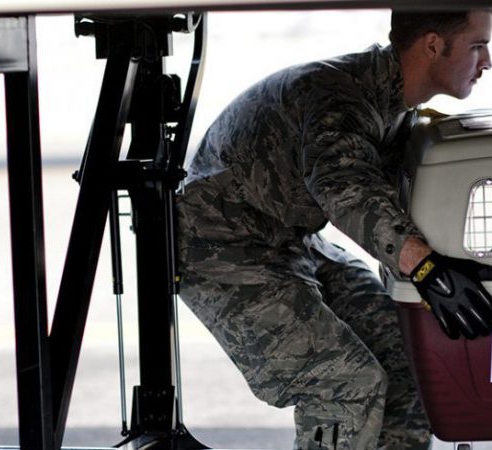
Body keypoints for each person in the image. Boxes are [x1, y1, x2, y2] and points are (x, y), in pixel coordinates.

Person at [177, 9, 492, 450]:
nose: (487, 61)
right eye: (478, 46)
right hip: (221, 246)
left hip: (287, 237)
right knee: (343, 382)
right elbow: (345, 189)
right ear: (433, 45)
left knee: (407, 358)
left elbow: (403, 193)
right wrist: (428, 270)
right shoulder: (340, 98)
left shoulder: (394, 103)